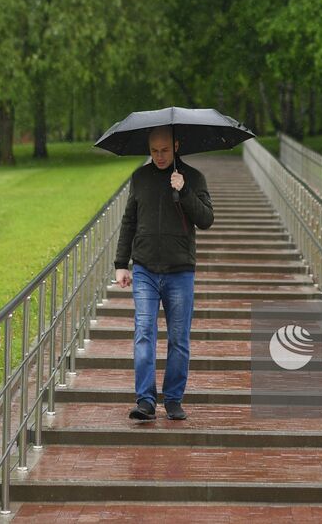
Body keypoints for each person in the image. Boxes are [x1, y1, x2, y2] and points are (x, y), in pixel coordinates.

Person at [113, 125, 215, 421]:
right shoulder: (140, 177)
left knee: (178, 338)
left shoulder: (193, 178)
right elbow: (129, 221)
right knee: (144, 333)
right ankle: (145, 401)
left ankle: (173, 399)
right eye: (154, 150)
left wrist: (183, 191)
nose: (159, 156)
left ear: (177, 146)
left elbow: (207, 219)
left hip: (180, 270)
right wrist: (121, 264)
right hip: (144, 268)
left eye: (165, 150)